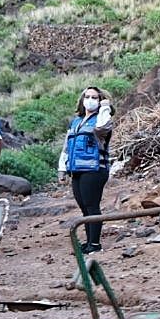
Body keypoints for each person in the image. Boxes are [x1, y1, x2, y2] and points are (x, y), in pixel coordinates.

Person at [60, 85, 113, 253]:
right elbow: (66, 147)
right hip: (77, 169)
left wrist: (105, 107)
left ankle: (95, 244)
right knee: (84, 207)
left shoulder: (101, 119)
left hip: (95, 169)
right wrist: (62, 168)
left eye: (94, 98)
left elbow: (102, 128)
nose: (90, 100)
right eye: (87, 97)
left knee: (92, 205)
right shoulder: (75, 122)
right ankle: (89, 242)